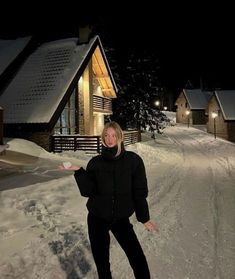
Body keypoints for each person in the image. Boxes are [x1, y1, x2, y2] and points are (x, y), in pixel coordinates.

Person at [59, 121, 159, 278]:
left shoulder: (133, 161)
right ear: (102, 138)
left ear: (120, 137)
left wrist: (144, 218)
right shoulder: (96, 162)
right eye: (106, 135)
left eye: (113, 135)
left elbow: (139, 192)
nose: (110, 139)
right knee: (102, 263)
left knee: (137, 258)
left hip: (121, 219)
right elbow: (88, 192)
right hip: (97, 218)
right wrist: (79, 171)